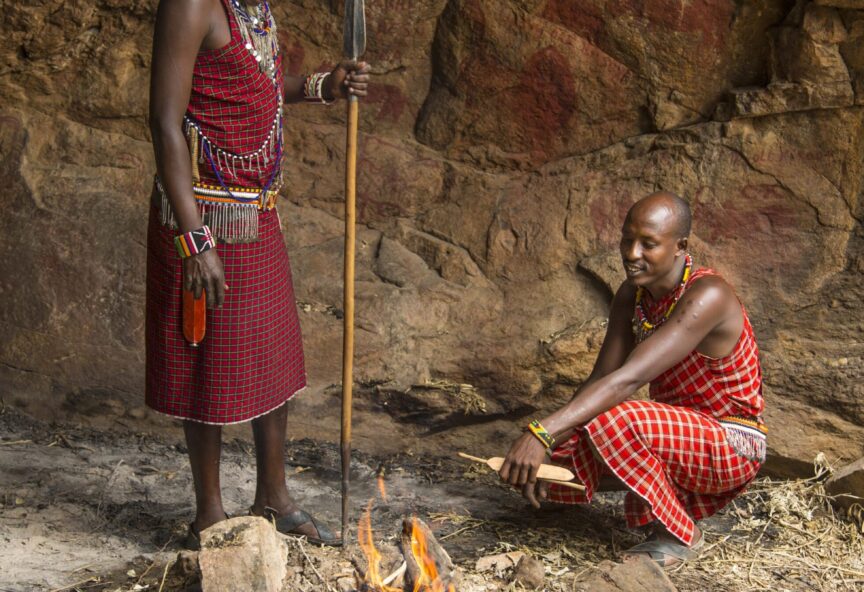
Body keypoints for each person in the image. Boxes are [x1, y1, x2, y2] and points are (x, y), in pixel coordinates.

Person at [146, 0, 370, 548]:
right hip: (201, 215)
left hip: (255, 208)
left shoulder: (250, 5)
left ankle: (273, 496)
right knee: (207, 361)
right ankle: (209, 516)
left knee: (272, 356)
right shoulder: (191, 4)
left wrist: (322, 85)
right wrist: (194, 241)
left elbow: (259, 89)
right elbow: (164, 122)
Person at [499, 192, 767, 567]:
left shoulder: (708, 295)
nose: (632, 252)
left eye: (649, 244)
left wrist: (541, 432)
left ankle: (679, 535)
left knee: (615, 420)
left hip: (729, 443)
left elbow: (628, 380)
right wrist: (555, 446)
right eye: (627, 239)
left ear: (680, 247)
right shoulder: (633, 294)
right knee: (568, 444)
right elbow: (602, 377)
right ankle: (564, 486)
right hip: (673, 437)